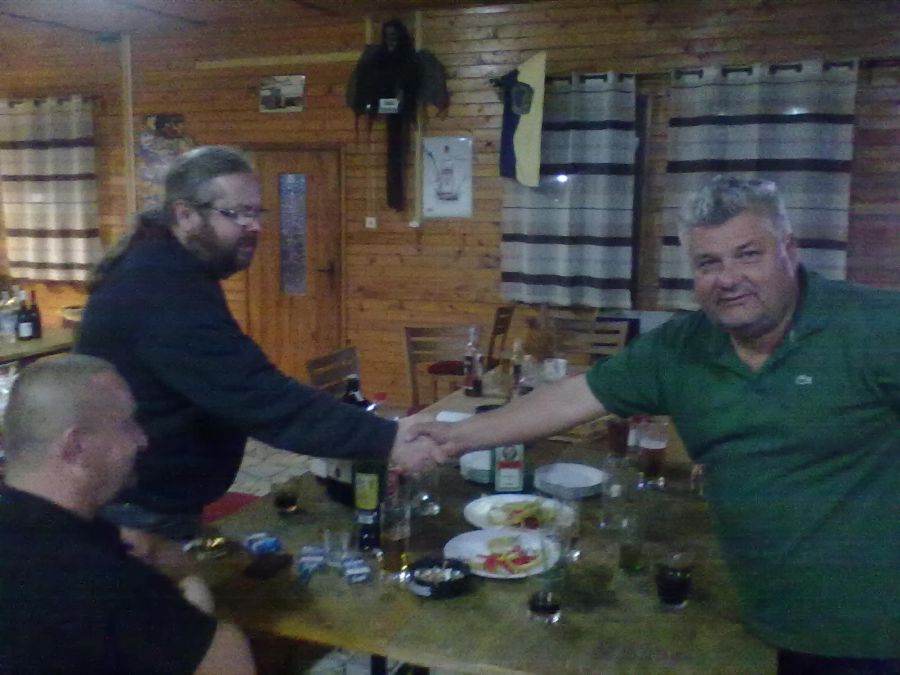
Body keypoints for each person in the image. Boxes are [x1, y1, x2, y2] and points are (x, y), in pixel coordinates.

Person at [410, 176, 900, 673]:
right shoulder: (681, 347)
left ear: (788, 251)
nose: (728, 278)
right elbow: (572, 397)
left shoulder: (874, 325)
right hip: (760, 612)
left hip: (871, 634)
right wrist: (452, 437)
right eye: (708, 263)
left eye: (748, 254)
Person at [76, 145, 440, 541]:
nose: (254, 226)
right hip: (134, 505)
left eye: (256, 212)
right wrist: (386, 438)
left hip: (150, 494)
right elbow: (259, 396)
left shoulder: (172, 267)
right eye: (236, 213)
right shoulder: (158, 286)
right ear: (185, 214)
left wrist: (383, 435)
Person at [0, 355, 255, 674]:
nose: (142, 439)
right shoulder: (105, 583)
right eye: (127, 424)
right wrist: (196, 597)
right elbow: (230, 663)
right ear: (75, 448)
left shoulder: (43, 532)